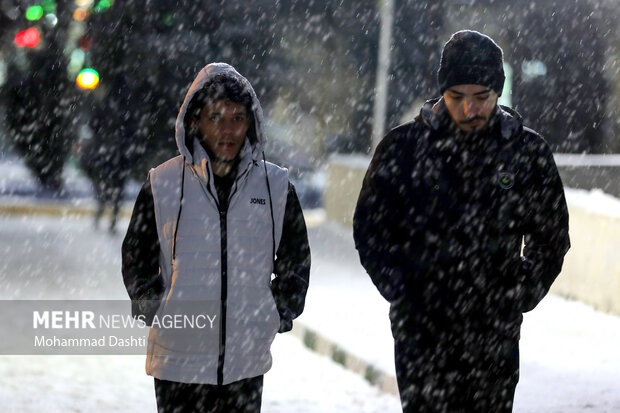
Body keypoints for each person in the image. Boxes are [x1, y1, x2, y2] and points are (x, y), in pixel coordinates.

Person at [353, 30, 570, 412]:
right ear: (442, 93)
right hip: (422, 334)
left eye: (481, 97)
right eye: (457, 97)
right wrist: (403, 290)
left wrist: (519, 294)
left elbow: (551, 235)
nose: (470, 109)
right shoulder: (404, 148)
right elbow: (371, 228)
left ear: (498, 92)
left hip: (494, 335)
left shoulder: (526, 153)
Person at [122, 63, 310, 413]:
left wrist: (276, 312)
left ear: (250, 123)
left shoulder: (275, 187)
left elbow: (296, 260)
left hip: (245, 365)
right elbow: (136, 256)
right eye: (216, 117)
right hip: (177, 365)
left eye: (238, 118)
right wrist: (155, 309)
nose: (228, 129)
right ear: (195, 122)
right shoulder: (162, 184)